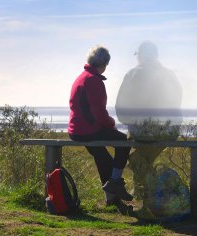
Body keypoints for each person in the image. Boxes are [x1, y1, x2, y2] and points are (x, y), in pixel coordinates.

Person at [115, 41, 183, 205]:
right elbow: (178, 100)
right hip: (170, 130)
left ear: (140, 55)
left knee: (137, 157)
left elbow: (120, 107)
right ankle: (145, 192)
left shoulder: (133, 74)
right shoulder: (170, 74)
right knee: (142, 157)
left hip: (143, 131)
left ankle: (145, 194)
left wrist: (128, 121)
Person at [68, 45, 133, 208]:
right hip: (88, 130)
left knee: (104, 159)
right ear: (103, 64)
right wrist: (112, 124)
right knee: (123, 141)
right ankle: (116, 181)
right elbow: (99, 113)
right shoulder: (93, 81)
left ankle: (112, 200)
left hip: (76, 130)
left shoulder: (82, 77)